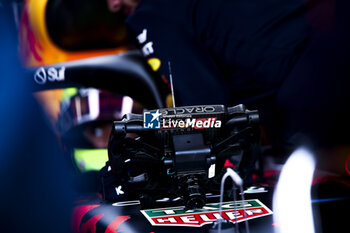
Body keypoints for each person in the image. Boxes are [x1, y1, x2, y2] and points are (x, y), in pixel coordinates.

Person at [106, 0, 350, 158]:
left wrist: (158, 147)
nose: (113, 5)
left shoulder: (150, 15)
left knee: (298, 143)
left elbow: (204, 105)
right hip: (330, 30)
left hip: (319, 60)